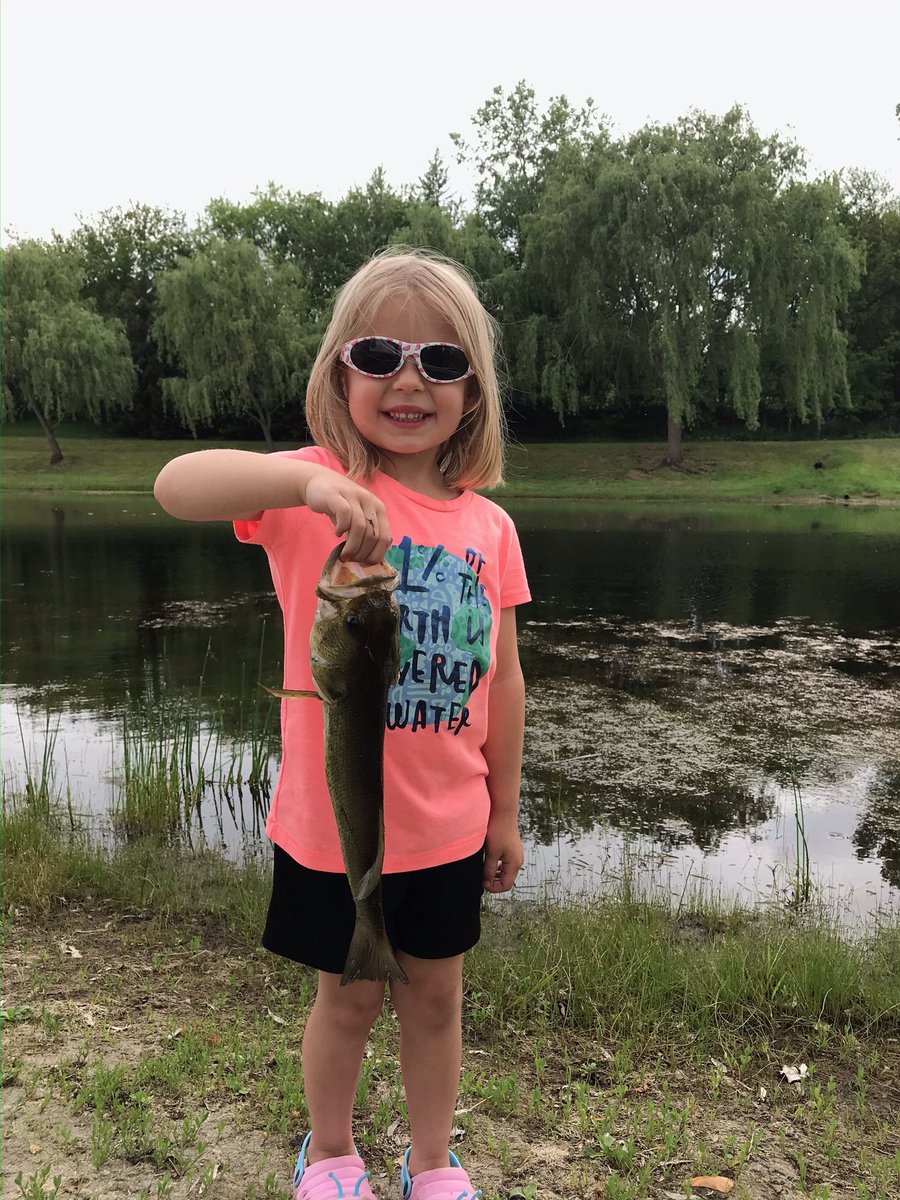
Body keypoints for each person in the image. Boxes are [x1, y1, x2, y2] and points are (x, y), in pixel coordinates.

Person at [154, 248, 531, 1200]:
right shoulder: (308, 487)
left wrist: (505, 813)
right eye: (381, 353)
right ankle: (329, 1153)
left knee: (436, 998)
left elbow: (506, 679)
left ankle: (434, 1163)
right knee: (350, 994)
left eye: (442, 363)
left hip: (448, 827)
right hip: (333, 829)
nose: (411, 379)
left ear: (472, 394)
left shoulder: (490, 527)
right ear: (340, 375)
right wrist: (304, 487)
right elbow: (176, 484)